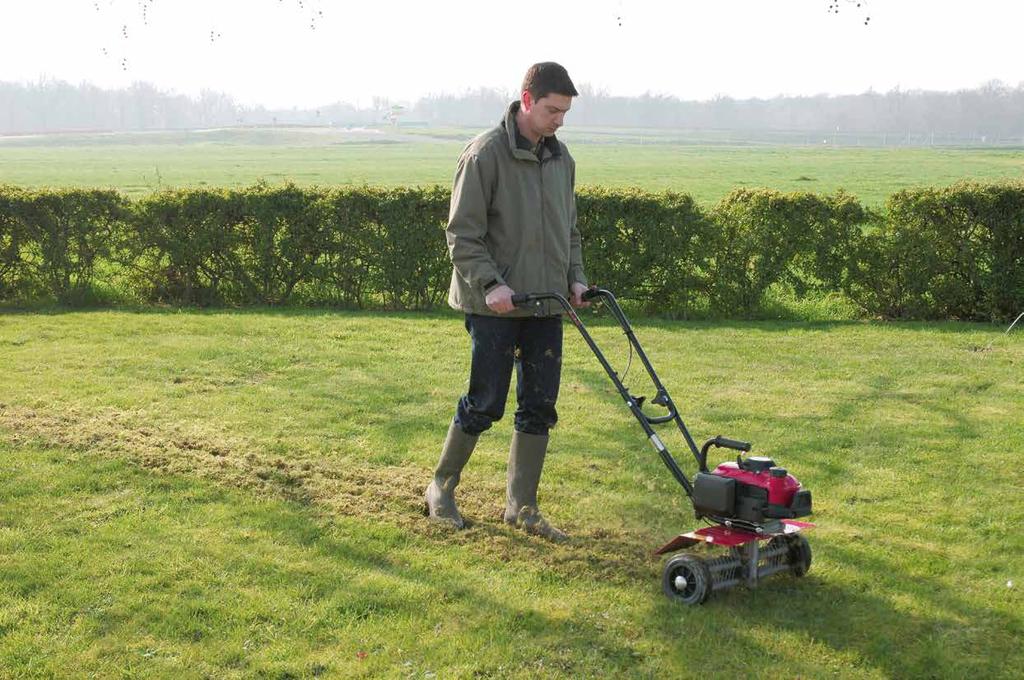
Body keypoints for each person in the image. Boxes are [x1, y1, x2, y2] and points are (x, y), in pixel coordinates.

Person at [424, 62, 590, 542]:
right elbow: (462, 236)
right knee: (485, 402)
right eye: (554, 110)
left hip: (546, 303)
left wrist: (577, 279)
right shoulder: (485, 155)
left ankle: (522, 507)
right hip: (493, 304)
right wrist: (491, 284)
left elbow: (570, 231)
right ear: (527, 99)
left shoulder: (561, 160)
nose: (560, 120)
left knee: (539, 405)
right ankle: (440, 487)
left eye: (565, 112)